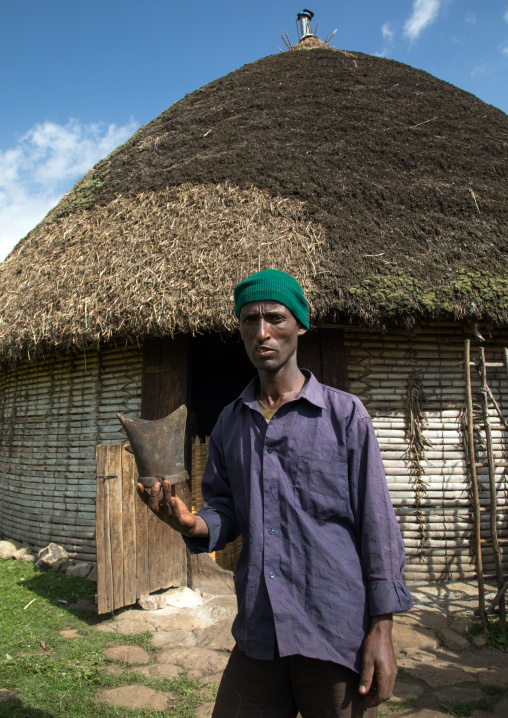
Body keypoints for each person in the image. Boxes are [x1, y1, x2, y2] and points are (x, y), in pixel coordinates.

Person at [137, 269, 413, 718]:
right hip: (260, 630)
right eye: (249, 320)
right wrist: (194, 523)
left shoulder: (345, 417)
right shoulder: (231, 422)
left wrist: (381, 631)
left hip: (332, 629)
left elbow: (378, 526)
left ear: (300, 325)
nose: (261, 332)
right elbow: (226, 507)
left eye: (275, 318)